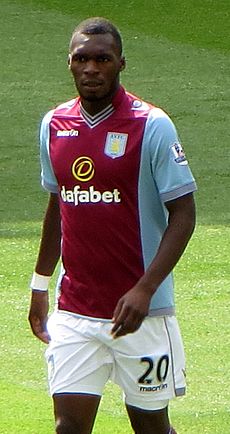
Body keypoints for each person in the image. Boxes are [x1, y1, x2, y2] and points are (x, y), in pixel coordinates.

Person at [28, 17, 197, 434]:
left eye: (102, 59)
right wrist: (39, 284)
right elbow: (59, 204)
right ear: (68, 63)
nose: (91, 68)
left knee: (151, 428)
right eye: (81, 59)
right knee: (69, 427)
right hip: (75, 310)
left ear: (121, 63)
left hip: (142, 314)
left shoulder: (152, 125)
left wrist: (145, 289)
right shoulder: (54, 125)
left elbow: (185, 213)